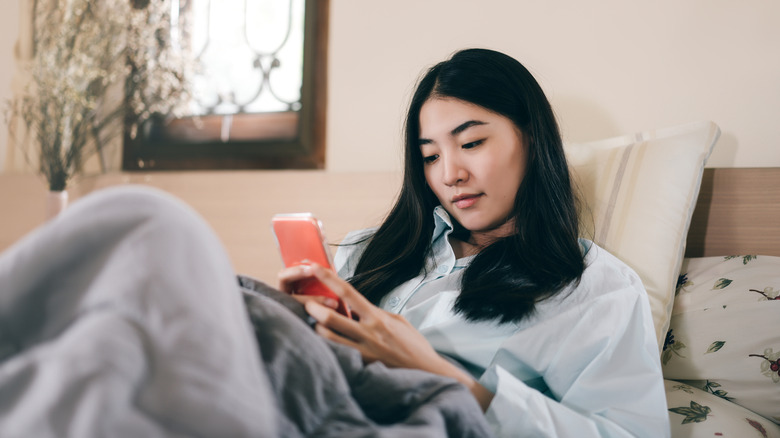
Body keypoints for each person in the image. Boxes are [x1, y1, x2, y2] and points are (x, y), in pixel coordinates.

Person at [278, 48, 670, 437]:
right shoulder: (367, 252)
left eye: (470, 144)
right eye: (430, 156)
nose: (450, 175)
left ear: (532, 139)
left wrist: (437, 375)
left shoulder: (591, 288)